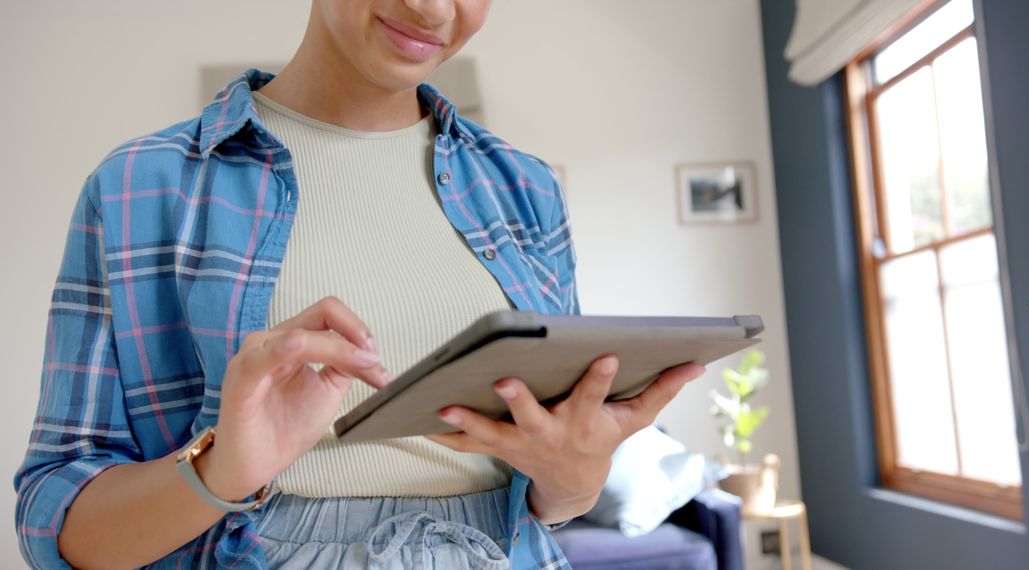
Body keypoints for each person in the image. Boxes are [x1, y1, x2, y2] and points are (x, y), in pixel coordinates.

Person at [14, 0, 706, 568]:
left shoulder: (524, 188)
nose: (433, 9)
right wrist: (219, 470)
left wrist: (575, 474)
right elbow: (56, 521)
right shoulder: (142, 186)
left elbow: (552, 500)